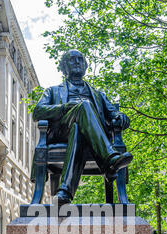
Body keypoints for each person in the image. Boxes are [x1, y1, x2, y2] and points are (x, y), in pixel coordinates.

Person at [32, 49, 132, 204]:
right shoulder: (52, 91)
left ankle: (64, 192)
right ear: (64, 67)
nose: (77, 62)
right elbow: (38, 112)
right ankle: (109, 159)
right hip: (61, 131)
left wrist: (120, 117)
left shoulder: (98, 95)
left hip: (85, 136)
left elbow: (113, 114)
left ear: (85, 66)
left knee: (78, 129)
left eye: (80, 59)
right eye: (72, 59)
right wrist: (65, 107)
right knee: (84, 106)